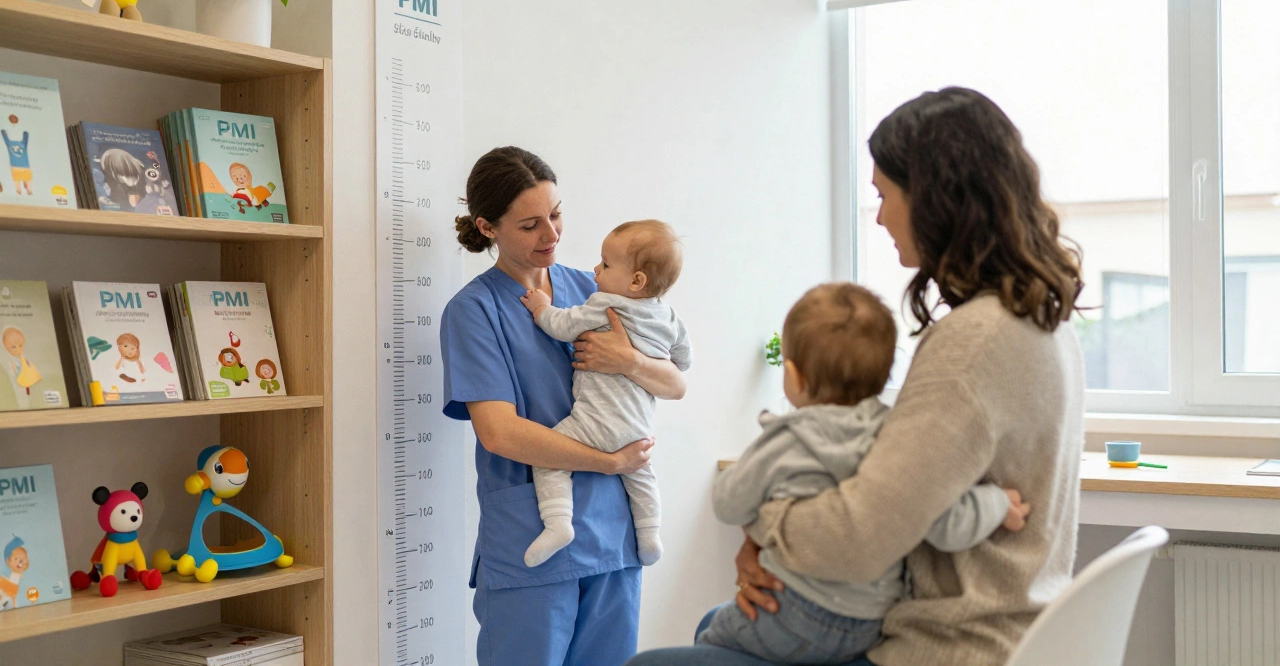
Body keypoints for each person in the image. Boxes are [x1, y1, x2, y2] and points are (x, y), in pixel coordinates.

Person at [626, 86, 1085, 666]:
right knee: (711, 623)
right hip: (1015, 632)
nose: (882, 215)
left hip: (947, 648)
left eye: (885, 195)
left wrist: (764, 523)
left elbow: (857, 540)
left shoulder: (975, 340)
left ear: (935, 199)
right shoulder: (1041, 319)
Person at [441, 147, 687, 666]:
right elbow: (500, 434)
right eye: (530, 225)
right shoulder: (473, 312)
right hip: (533, 536)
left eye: (556, 215)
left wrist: (630, 363)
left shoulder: (594, 287)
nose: (551, 234)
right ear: (487, 227)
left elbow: (674, 381)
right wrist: (610, 462)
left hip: (613, 533)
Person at [698, 282, 1028, 665]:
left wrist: (758, 512)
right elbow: (946, 521)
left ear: (793, 376)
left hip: (787, 611)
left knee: (710, 636)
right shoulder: (896, 437)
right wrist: (997, 503)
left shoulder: (787, 438)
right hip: (868, 623)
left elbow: (727, 504)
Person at [519, 219, 692, 568]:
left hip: (595, 422)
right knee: (642, 478)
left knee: (548, 457)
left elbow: (562, 325)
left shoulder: (604, 303)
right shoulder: (670, 317)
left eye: (606, 264)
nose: (596, 270)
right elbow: (683, 363)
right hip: (638, 429)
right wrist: (648, 357)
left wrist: (540, 307)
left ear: (636, 280)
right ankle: (650, 535)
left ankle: (557, 523)